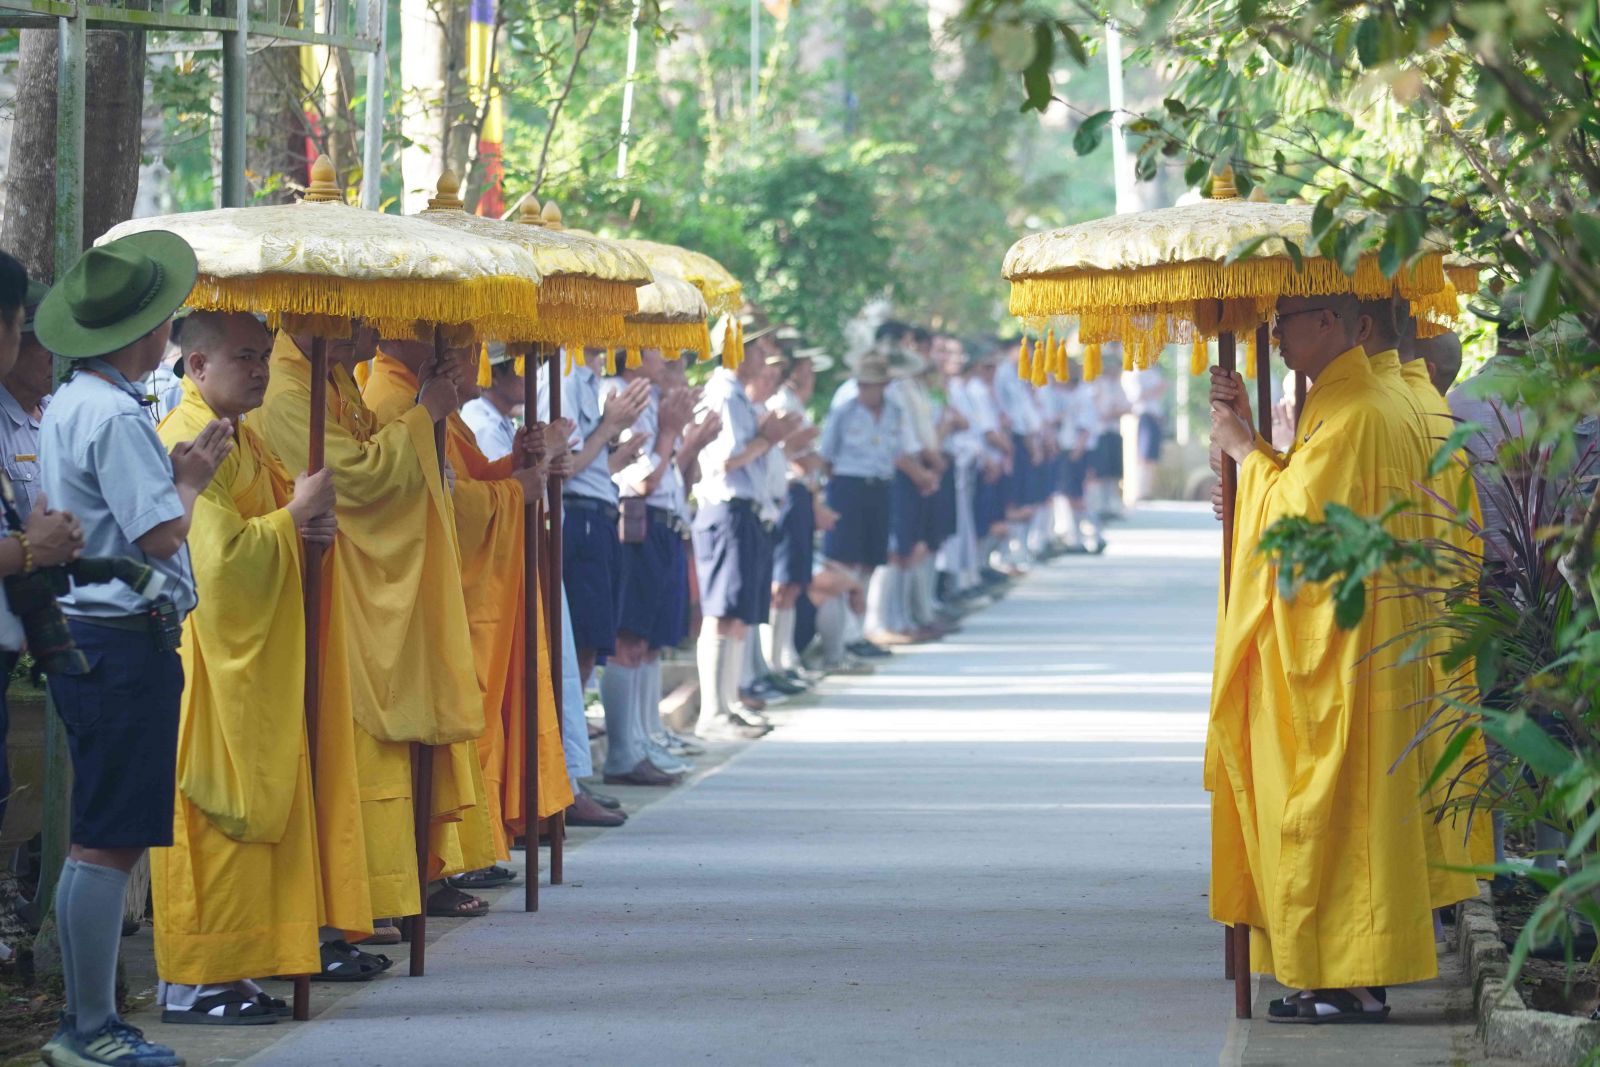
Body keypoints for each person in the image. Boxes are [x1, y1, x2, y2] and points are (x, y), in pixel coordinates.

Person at [1206, 293, 1457, 1022]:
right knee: (1347, 810)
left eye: (1288, 318)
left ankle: (1351, 979)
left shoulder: (1357, 412)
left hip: (1346, 648)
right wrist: (1254, 446)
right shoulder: (1345, 404)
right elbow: (1304, 488)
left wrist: (1244, 452)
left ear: (1340, 325)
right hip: (1361, 638)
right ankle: (1343, 977)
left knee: (1340, 810)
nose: (1275, 332)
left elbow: (1302, 517)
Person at [36, 232, 230, 1067]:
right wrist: (190, 479)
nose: (168, 333)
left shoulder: (73, 400)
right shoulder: (114, 413)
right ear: (143, 333)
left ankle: (87, 1020)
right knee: (107, 838)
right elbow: (160, 534)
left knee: (99, 834)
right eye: (163, 321)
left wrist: (174, 476)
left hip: (92, 632)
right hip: (120, 637)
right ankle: (88, 1026)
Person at [258, 322, 495, 941]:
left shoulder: (332, 378)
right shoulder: (286, 392)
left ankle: (380, 891)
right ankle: (345, 907)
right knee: (350, 746)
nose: (368, 329)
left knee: (375, 747)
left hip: (365, 587)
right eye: (357, 318)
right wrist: (424, 415)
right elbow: (357, 481)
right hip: (335, 590)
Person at [149, 310, 337, 1025]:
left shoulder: (240, 436)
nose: (260, 370)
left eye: (264, 355)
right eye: (244, 357)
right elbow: (219, 567)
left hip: (252, 662)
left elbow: (279, 517)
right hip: (207, 661)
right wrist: (293, 519)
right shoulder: (188, 438)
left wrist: (308, 525)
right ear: (196, 365)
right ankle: (194, 981)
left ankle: (238, 967)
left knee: (252, 812)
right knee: (210, 816)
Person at [363, 341, 575, 891]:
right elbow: (441, 504)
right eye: (459, 341)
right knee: (457, 719)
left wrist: (516, 467)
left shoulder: (430, 397)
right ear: (412, 336)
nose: (470, 352)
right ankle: (446, 860)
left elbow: (465, 479)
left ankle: (466, 851)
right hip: (435, 589)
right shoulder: (394, 398)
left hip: (465, 588)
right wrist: (515, 490)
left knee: (474, 717)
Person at [476, 353, 621, 829]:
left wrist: (543, 460)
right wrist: (545, 460)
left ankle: (566, 782)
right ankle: (552, 790)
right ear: (492, 371)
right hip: (502, 565)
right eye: (519, 367)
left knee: (565, 670)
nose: (529, 376)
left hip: (532, 551)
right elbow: (486, 494)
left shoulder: (499, 420)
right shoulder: (477, 419)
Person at [691, 334, 801, 740]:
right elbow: (727, 459)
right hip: (727, 509)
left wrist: (768, 437)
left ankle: (729, 703)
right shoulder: (724, 392)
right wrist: (766, 438)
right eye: (755, 349)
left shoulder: (739, 395)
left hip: (748, 511)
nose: (762, 357)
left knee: (738, 615)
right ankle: (713, 711)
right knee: (722, 612)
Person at [601, 346, 700, 784]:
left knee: (649, 642)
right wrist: (670, 432)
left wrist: (687, 438)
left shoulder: (653, 398)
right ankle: (624, 751)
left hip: (665, 525)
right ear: (634, 351)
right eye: (661, 352)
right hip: (637, 526)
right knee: (628, 640)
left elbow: (680, 476)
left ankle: (644, 738)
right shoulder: (620, 394)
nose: (667, 360)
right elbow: (643, 480)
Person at [819, 350, 918, 663]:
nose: (865, 390)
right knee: (844, 559)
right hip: (848, 485)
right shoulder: (844, 411)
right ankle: (844, 636)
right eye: (861, 384)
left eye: (871, 385)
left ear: (884, 386)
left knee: (871, 559)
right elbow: (826, 456)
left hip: (880, 485)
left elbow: (898, 451)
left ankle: (859, 631)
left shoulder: (894, 412)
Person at [1124, 364, 1167, 502]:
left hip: (1155, 417)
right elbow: (1135, 396)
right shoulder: (1136, 371)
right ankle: (1140, 491)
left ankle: (1146, 490)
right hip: (1144, 416)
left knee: (1152, 456)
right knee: (1144, 455)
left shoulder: (1154, 370)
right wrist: (1155, 389)